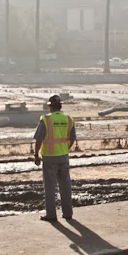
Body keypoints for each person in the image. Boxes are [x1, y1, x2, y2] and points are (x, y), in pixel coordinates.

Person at [34, 94, 76, 222]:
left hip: (49, 158)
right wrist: (64, 149)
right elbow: (72, 138)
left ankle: (51, 215)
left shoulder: (46, 120)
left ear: (50, 107)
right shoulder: (68, 119)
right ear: (61, 106)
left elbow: (39, 139)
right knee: (65, 186)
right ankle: (68, 213)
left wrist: (36, 154)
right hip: (63, 157)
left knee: (50, 187)